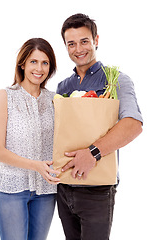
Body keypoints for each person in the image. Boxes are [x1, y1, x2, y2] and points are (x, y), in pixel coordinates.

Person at [56, 14, 143, 240]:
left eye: (84, 41)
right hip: (64, 186)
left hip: (97, 190)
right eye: (71, 43)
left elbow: (133, 124)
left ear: (96, 40)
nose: (78, 49)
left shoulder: (117, 80)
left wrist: (92, 153)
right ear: (65, 47)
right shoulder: (63, 86)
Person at [0, 38, 60, 240]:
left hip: (46, 190)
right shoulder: (6, 96)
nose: (39, 68)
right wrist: (35, 165)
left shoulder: (55, 100)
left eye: (45, 63)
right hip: (11, 188)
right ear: (22, 64)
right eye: (33, 62)